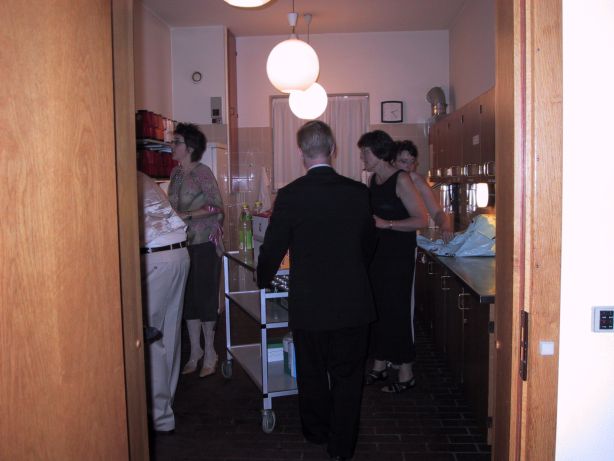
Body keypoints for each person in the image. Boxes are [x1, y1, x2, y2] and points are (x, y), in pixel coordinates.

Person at [257, 121, 376, 461]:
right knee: (348, 376)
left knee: (311, 372)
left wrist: (263, 278)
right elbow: (369, 244)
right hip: (352, 301)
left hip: (309, 302)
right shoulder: (358, 192)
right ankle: (342, 446)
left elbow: (273, 247)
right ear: (333, 149)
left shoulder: (291, 195)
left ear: (301, 153)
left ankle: (316, 431)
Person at [358, 130, 428, 393]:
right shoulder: (374, 180)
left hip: (398, 256)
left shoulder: (402, 180)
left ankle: (406, 373)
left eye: (365, 152)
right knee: (379, 310)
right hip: (378, 255)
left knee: (397, 312)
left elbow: (421, 219)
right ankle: (380, 365)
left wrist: (387, 223)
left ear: (378, 153)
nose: (362, 157)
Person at [167, 123, 224, 378]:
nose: (172, 145)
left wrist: (186, 215)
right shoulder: (176, 174)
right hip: (183, 243)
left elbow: (216, 206)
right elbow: (172, 206)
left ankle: (211, 352)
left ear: (189, 147)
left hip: (204, 243)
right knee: (188, 298)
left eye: (176, 141)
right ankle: (195, 352)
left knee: (205, 297)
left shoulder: (202, 172)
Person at [137, 171, 190, 433]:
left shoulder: (120, 178)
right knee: (169, 333)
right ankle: (166, 405)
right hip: (179, 253)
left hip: (155, 255)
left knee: (150, 336)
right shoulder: (142, 177)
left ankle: (159, 416)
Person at [391, 140, 453, 242]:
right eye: (403, 161)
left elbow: (437, 212)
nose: (409, 166)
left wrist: (445, 227)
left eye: (412, 162)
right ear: (392, 162)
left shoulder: (417, 180)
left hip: (407, 239)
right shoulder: (385, 180)